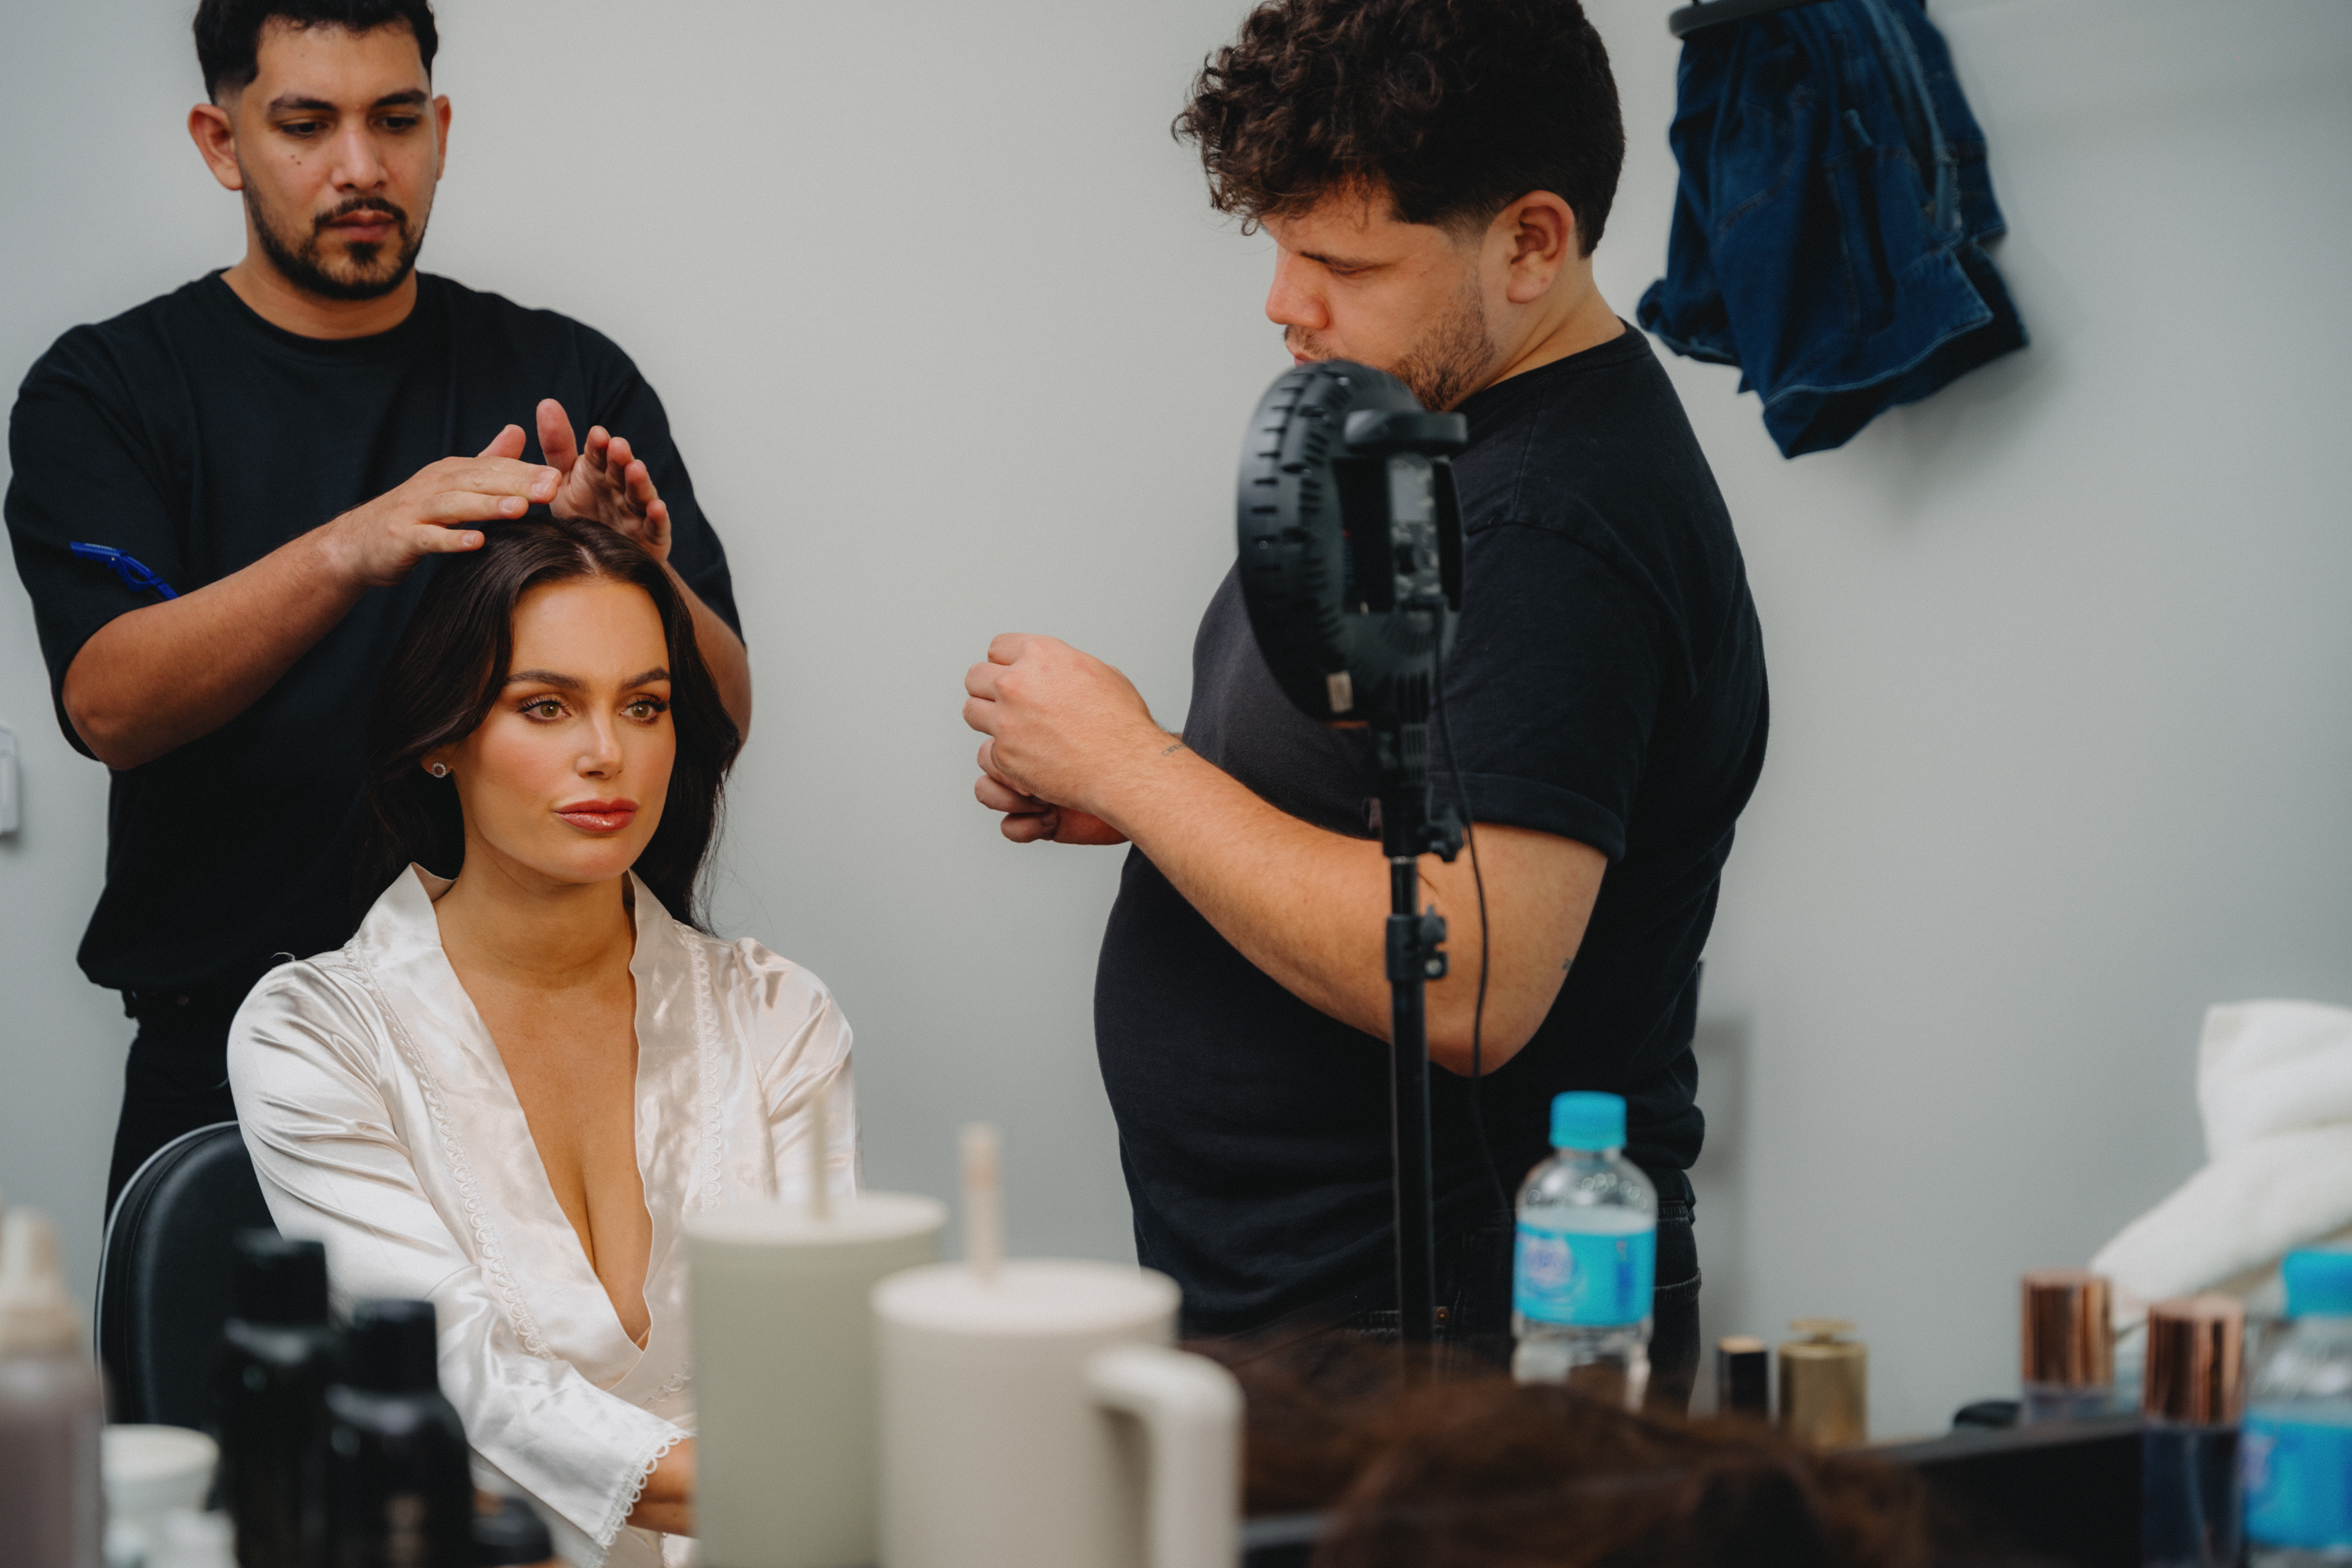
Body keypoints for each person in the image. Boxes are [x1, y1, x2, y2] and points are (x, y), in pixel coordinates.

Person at [963, 0, 1766, 1406]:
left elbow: (1471, 975)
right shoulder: (1439, 434)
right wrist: (1166, 802)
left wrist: (1138, 764)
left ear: (1532, 242)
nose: (1286, 300)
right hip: (1323, 1313)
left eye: (1340, 261)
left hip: (1437, 1339)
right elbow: (1404, 800)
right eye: (1279, 246)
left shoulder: (1551, 526)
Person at [2, 0, 751, 1216]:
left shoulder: (567, 375)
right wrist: (354, 546)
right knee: (225, 1353)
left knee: (607, 1352)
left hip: (545, 1040)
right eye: (307, 125)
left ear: (440, 129)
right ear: (221, 141)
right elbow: (111, 705)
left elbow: (720, 711)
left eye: (396, 121)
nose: (361, 167)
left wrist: (637, 573)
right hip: (225, 1054)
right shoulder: (111, 389)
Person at [229, 518, 853, 1568]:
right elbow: (461, 1384)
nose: (607, 753)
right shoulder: (315, 1036)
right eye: (546, 706)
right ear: (441, 736)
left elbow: (821, 1366)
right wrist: (824, 1484)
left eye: (644, 705)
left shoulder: (779, 1013)